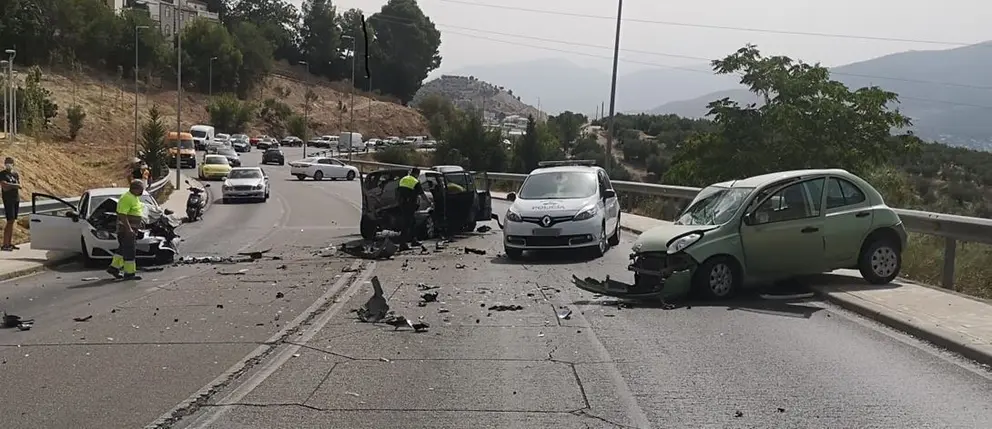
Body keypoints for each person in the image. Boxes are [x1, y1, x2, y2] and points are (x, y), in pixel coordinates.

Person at [107, 179, 145, 280]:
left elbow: (134, 212)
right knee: (129, 251)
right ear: (135, 189)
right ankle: (129, 273)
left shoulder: (134, 197)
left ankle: (114, 268)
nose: (142, 191)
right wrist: (129, 229)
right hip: (126, 230)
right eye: (141, 189)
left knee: (123, 249)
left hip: (131, 229)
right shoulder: (127, 198)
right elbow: (122, 215)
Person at [397, 168, 426, 248]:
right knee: (407, 224)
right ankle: (402, 244)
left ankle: (413, 240)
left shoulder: (403, 179)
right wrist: (429, 202)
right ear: (417, 174)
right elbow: (422, 194)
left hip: (402, 204)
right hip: (410, 205)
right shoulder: (415, 181)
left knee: (412, 222)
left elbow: (398, 191)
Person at [0, 157, 21, 251]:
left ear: (13, 163)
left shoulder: (15, 174)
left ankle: (9, 243)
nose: (8, 163)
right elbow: (4, 187)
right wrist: (14, 186)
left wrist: (10, 185)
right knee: (9, 221)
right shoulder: (2, 174)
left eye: (10, 162)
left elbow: (20, 186)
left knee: (12, 221)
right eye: (6, 162)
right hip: (8, 200)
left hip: (16, 199)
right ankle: (5, 244)